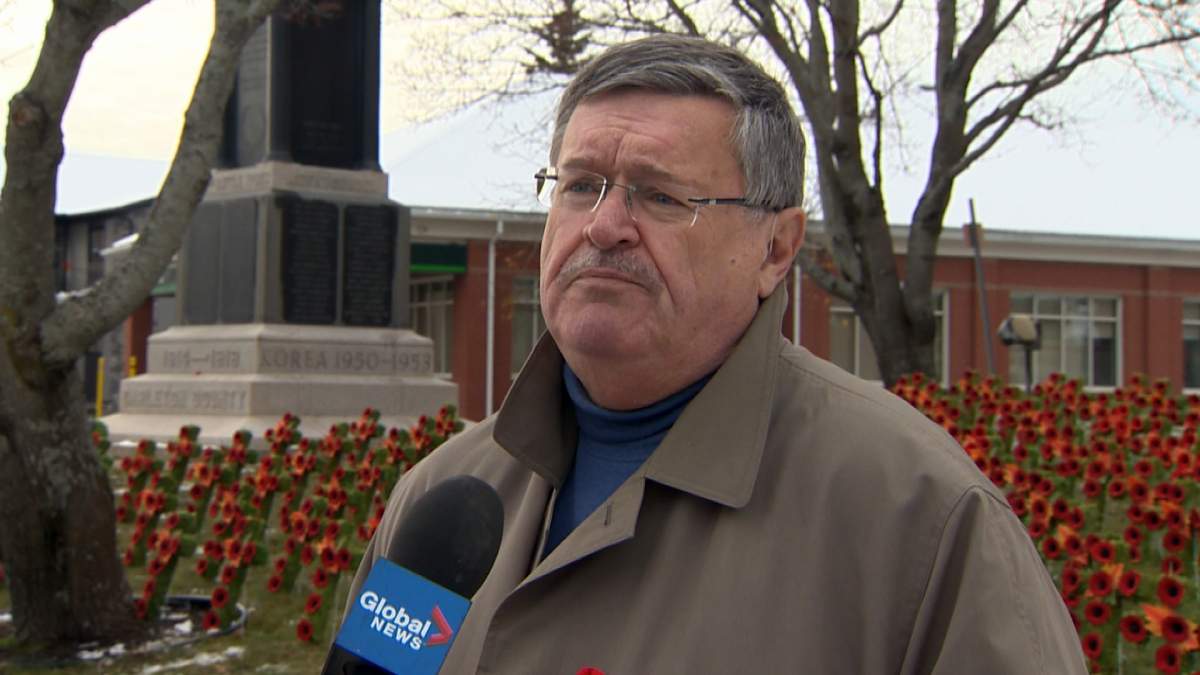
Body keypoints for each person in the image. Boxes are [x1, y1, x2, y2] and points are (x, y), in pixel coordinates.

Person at [346, 35, 1086, 674]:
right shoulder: (443, 498)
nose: (604, 225)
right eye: (579, 185)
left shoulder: (918, 518)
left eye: (661, 196)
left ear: (776, 248)